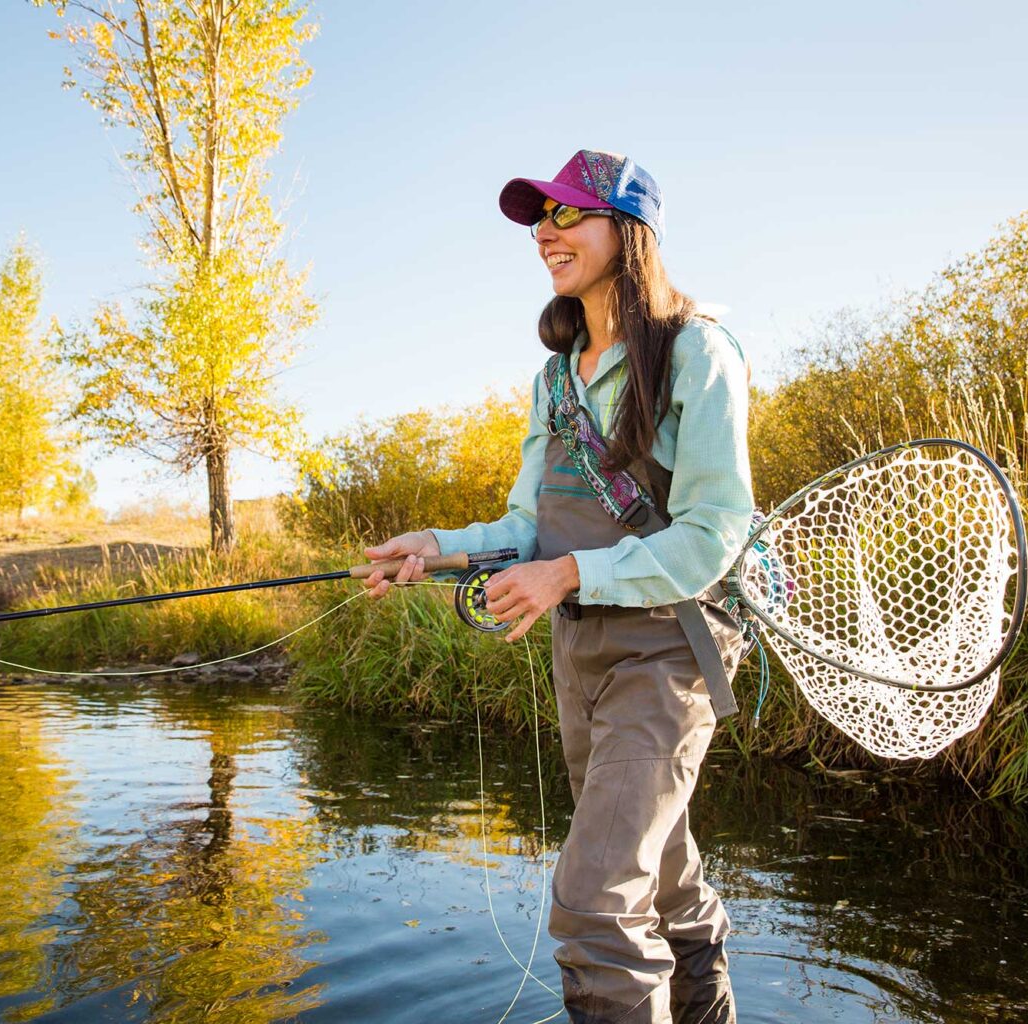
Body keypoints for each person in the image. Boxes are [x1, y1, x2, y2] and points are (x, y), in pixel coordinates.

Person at [362, 149, 754, 1024]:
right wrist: (437, 547)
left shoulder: (699, 352)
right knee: (657, 867)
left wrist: (570, 571)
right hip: (582, 651)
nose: (546, 231)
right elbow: (525, 528)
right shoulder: (553, 379)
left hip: (669, 650)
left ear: (628, 231)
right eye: (539, 217)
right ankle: (707, 999)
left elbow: (715, 534)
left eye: (568, 213)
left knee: (595, 906)